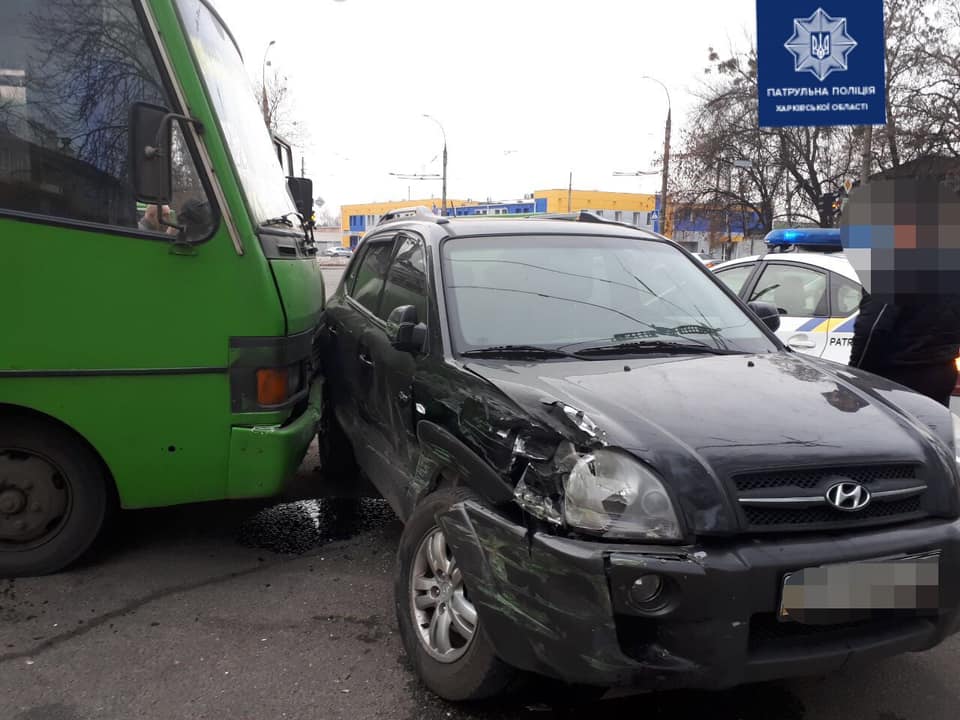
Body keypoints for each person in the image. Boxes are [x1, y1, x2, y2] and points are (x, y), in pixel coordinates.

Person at [848, 290, 960, 407]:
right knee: (931, 423)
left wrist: (855, 377)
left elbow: (871, 329)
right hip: (942, 371)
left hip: (898, 377)